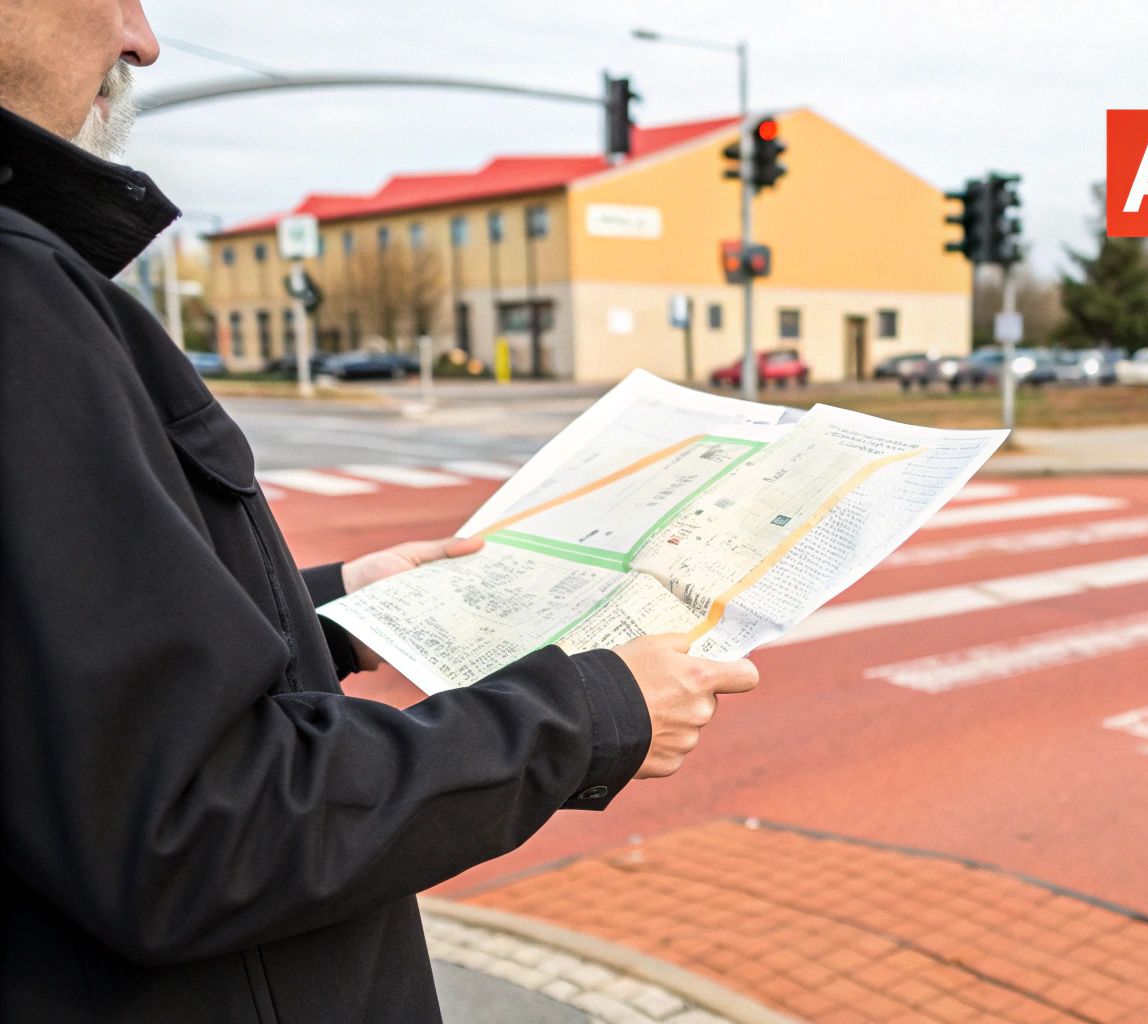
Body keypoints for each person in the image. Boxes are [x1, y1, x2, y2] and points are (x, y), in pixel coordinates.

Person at [0, 1, 760, 1020]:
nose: (141, 39)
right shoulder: (18, 295)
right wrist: (588, 714)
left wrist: (334, 611)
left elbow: (51, 674)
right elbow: (188, 828)